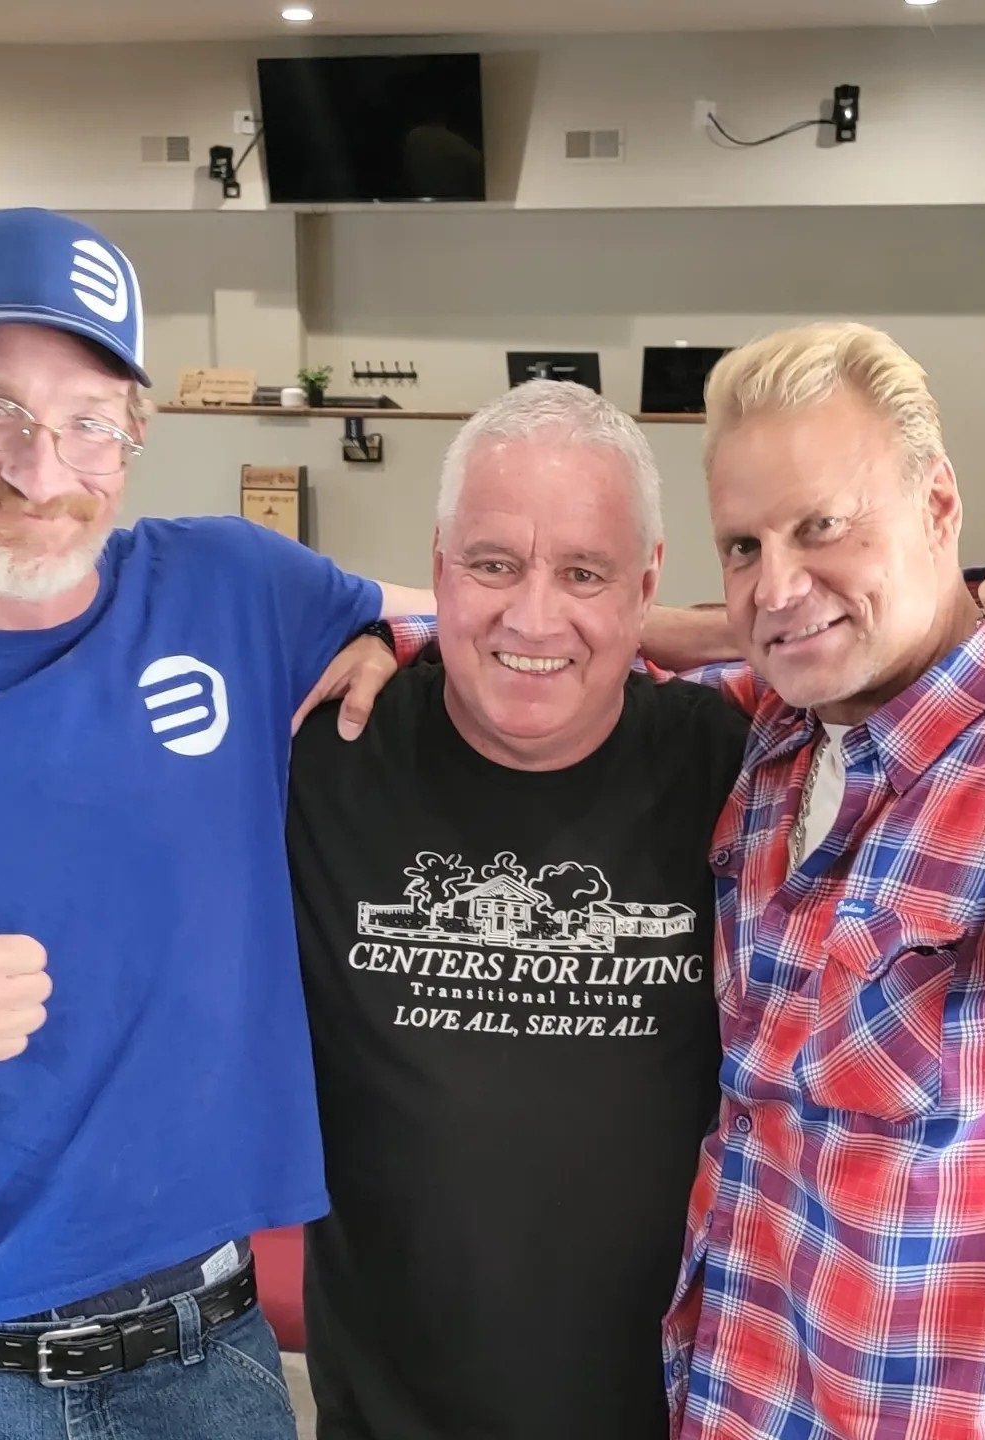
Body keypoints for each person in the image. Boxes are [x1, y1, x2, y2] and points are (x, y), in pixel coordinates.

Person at [0, 207, 427, 1440]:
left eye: (86, 422)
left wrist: (385, 639)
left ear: (135, 434)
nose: (41, 470)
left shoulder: (235, 587)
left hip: (211, 1352)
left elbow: (504, 617)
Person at [635, 322, 985, 1439]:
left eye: (822, 526)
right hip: (741, 1400)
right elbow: (538, 644)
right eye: (743, 546)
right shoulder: (779, 730)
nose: (776, 584)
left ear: (940, 504)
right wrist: (382, 638)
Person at [286, 381, 749, 1440]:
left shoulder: (738, 771)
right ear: (440, 566)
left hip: (676, 1412)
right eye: (493, 564)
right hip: (384, 1419)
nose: (533, 616)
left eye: (583, 573)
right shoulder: (324, 751)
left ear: (645, 584)